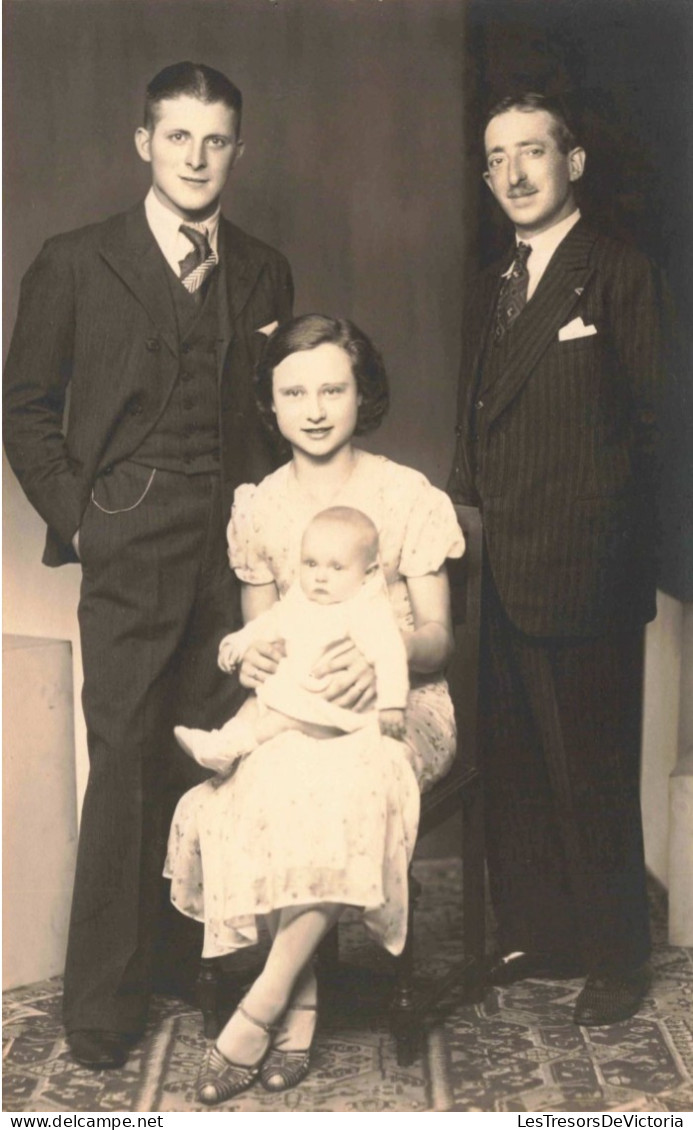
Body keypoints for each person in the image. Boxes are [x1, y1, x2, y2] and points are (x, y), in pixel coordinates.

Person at [2, 61, 294, 1070]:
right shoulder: (76, 260)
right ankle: (104, 999)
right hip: (127, 535)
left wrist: (273, 538)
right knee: (125, 757)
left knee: (217, 756)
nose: (197, 157)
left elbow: (278, 411)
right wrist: (80, 518)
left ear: (237, 151)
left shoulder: (263, 269)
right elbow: (27, 405)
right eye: (179, 138)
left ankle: (203, 967)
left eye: (215, 140)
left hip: (234, 544)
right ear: (144, 143)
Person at [164, 313, 465, 1103]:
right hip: (296, 708)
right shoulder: (258, 507)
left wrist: (383, 659)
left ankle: (262, 1005)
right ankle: (297, 1005)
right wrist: (254, 649)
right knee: (261, 786)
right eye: (294, 391)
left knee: (348, 786)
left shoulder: (405, 496)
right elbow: (261, 630)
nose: (316, 407)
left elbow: (438, 638)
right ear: (270, 403)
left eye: (333, 387)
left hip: (399, 711)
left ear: (361, 393)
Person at [447, 92, 666, 1026]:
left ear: (571, 162)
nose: (514, 173)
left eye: (532, 152)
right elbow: (479, 424)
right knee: (519, 765)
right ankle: (543, 931)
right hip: (504, 564)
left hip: (588, 572)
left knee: (594, 772)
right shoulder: (497, 281)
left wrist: (623, 556)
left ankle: (617, 956)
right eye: (497, 159)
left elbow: (663, 426)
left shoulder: (615, 272)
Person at [173, 504, 409, 772]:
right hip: (303, 694)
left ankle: (232, 746)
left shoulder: (365, 608)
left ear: (367, 572)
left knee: (278, 720)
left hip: (339, 710)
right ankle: (221, 749)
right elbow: (271, 621)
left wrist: (392, 704)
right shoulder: (303, 598)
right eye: (311, 563)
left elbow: (391, 653)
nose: (320, 576)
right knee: (254, 707)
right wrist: (239, 644)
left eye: (336, 567)